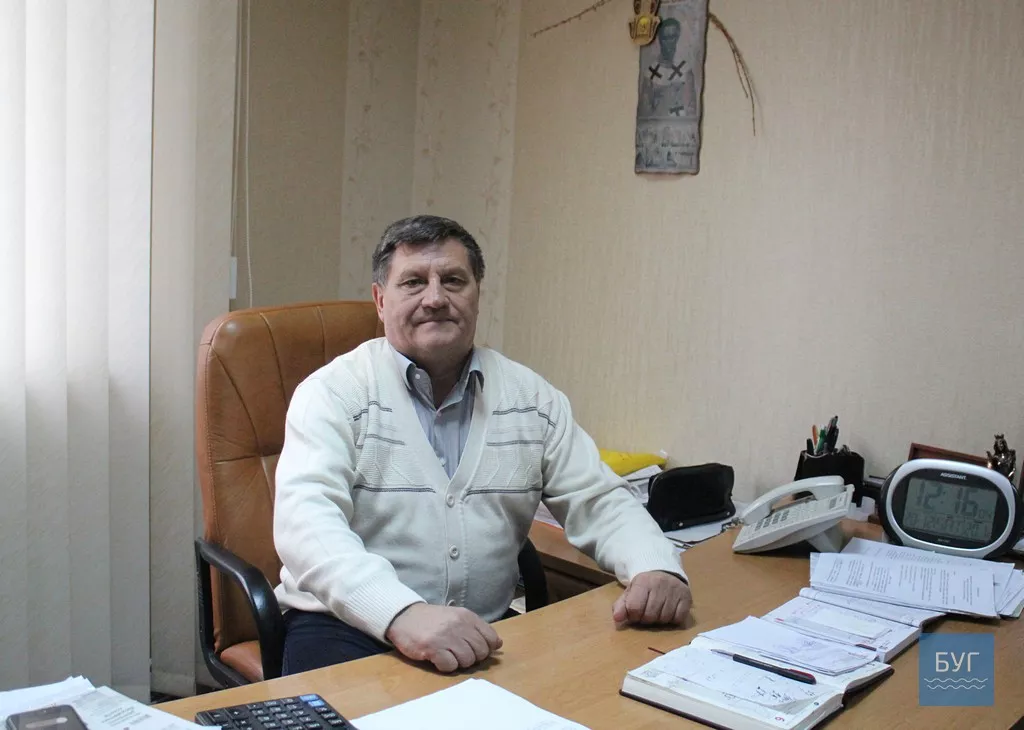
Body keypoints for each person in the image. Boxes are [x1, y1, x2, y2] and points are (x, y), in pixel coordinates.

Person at [273, 215, 691, 675]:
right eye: (413, 282)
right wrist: (400, 613)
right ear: (380, 300)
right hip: (344, 625)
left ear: (476, 294)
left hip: (481, 632)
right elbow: (307, 527)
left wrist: (654, 565)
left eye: (453, 280)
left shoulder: (532, 398)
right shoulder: (333, 393)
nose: (435, 298)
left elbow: (598, 500)